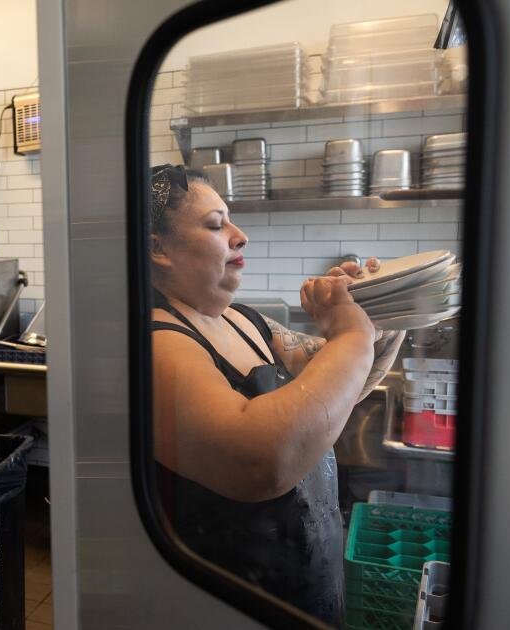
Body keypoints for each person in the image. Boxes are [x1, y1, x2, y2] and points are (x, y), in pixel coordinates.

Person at [148, 164, 404, 625]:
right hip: (235, 600)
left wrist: (376, 312)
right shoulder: (157, 342)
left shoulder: (247, 321)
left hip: (308, 583)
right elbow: (260, 461)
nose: (239, 234)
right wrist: (350, 338)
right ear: (157, 248)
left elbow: (338, 391)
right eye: (215, 224)